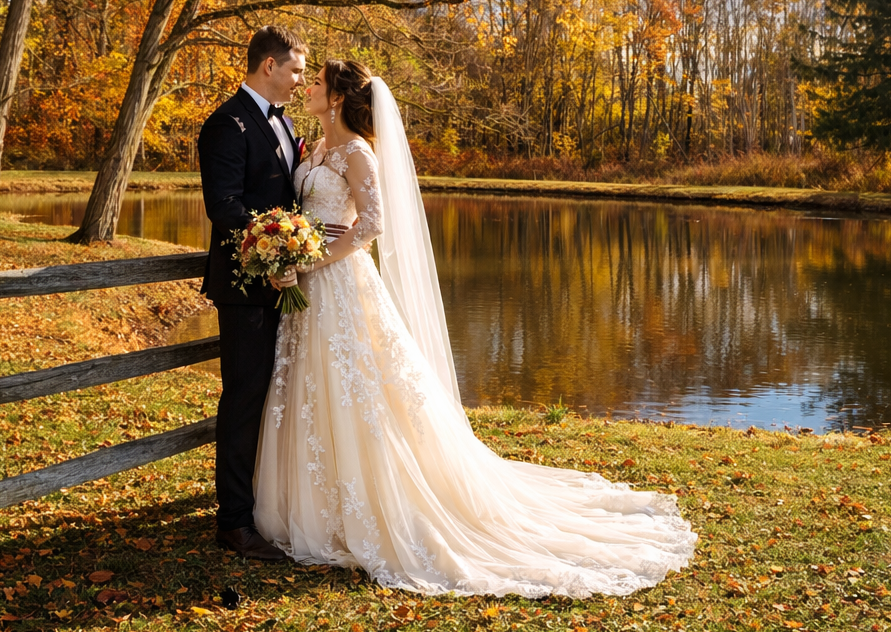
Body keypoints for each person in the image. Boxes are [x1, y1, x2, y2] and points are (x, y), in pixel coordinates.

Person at [252, 58, 696, 596]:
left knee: (360, 393)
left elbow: (371, 223)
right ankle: (315, 502)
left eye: (318, 83)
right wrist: (286, 246)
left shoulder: (358, 153)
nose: (309, 89)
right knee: (315, 389)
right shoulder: (315, 149)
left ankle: (378, 504)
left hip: (340, 281)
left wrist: (312, 258)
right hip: (310, 288)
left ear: (340, 97)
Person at [197, 25, 306, 561]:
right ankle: (234, 522)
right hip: (244, 289)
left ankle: (264, 502)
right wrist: (278, 248)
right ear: (269, 65)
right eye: (295, 70)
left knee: (276, 397)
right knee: (243, 399)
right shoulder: (226, 123)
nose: (299, 80)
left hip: (282, 284)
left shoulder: (284, 124)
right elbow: (224, 206)